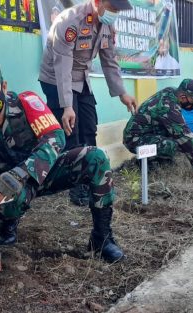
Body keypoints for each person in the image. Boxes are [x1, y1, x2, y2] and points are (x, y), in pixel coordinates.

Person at [0, 59, 124, 263]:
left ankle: (102, 239)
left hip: (46, 172)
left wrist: (21, 173)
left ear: (4, 86)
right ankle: (8, 223)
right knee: (8, 199)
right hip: (9, 193)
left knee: (95, 158)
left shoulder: (26, 103)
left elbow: (56, 137)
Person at [39, 0, 137, 206]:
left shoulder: (107, 25)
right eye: (112, 9)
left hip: (81, 79)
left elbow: (109, 60)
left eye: (117, 11)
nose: (114, 14)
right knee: (71, 132)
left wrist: (122, 93)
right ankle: (75, 187)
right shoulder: (70, 21)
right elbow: (63, 65)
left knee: (90, 129)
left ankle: (91, 177)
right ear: (97, 2)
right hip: (56, 79)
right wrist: (67, 105)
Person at [122, 78, 193, 173]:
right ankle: (147, 162)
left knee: (174, 135)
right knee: (172, 145)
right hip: (134, 139)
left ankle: (160, 159)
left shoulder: (172, 92)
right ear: (183, 97)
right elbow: (186, 138)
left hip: (146, 132)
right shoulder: (168, 107)